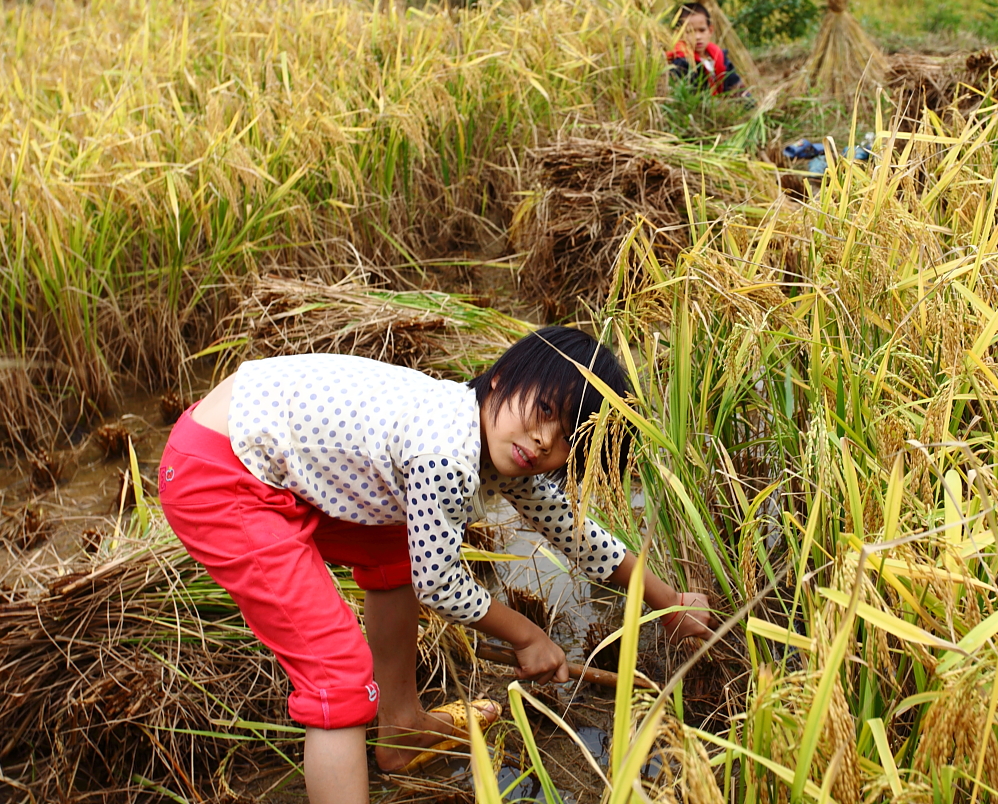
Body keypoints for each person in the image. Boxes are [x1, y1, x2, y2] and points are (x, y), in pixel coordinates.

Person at [157, 327, 716, 804]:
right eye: (543, 410)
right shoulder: (446, 454)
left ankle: (401, 731)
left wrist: (667, 606)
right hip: (221, 473)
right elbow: (439, 583)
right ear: (501, 378)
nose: (543, 439)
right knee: (336, 668)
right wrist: (527, 637)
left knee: (393, 548)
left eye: (565, 436)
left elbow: (574, 532)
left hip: (268, 449)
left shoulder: (494, 436)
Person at [667, 2, 744, 95]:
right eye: (689, 31)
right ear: (678, 33)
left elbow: (736, 87)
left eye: (702, 30)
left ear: (710, 30)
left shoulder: (719, 57)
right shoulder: (681, 63)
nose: (697, 37)